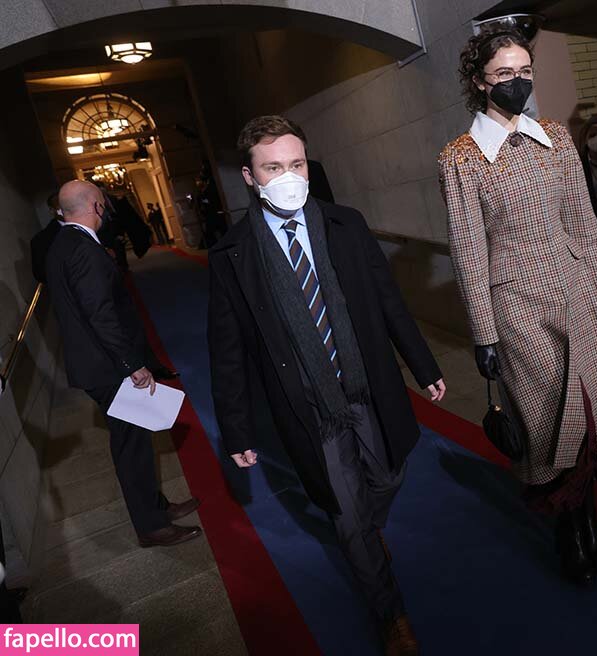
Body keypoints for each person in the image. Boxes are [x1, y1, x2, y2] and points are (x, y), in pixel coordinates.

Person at [208, 115, 446, 656]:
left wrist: (422, 364)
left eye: (296, 164)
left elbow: (387, 300)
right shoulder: (232, 255)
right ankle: (391, 615)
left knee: (388, 474)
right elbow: (227, 349)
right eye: (273, 168)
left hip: (365, 385)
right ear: (249, 177)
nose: (288, 177)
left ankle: (368, 529)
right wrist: (236, 428)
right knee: (347, 514)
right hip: (308, 404)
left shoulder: (346, 225)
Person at [439, 30, 597, 587]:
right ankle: (569, 530)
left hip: (577, 292)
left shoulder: (557, 138)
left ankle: (590, 527)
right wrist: (484, 333)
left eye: (524, 71)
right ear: (479, 82)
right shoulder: (460, 158)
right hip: (517, 310)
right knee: (550, 424)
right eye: (504, 74)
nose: (517, 83)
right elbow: (468, 249)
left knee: (589, 416)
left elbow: (582, 220)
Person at [45, 180, 202, 548]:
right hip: (108, 366)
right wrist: (132, 364)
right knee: (132, 447)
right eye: (104, 204)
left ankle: (156, 507)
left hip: (98, 363)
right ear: (97, 207)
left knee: (136, 440)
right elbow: (100, 315)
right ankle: (151, 526)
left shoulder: (63, 243)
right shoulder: (83, 249)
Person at [29, 193, 64, 284]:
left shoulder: (91, 223)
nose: (65, 208)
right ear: (52, 211)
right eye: (59, 206)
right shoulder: (40, 240)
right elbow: (41, 274)